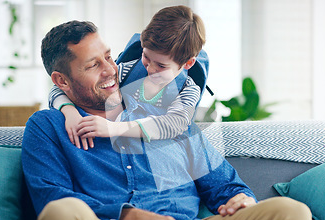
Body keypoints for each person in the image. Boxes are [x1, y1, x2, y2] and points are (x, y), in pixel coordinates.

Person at [22, 20, 313, 220]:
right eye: (93, 66)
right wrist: (131, 216)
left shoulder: (167, 113)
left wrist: (239, 200)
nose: (110, 70)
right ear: (61, 81)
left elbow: (225, 186)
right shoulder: (48, 127)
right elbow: (52, 197)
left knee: (291, 213)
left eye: (109, 57)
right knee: (61, 214)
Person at [49, 6, 207, 150]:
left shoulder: (187, 90)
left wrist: (113, 128)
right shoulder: (129, 71)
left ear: (188, 63)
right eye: (146, 56)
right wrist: (70, 113)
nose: (150, 69)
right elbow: (60, 88)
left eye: (161, 66)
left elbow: (174, 124)